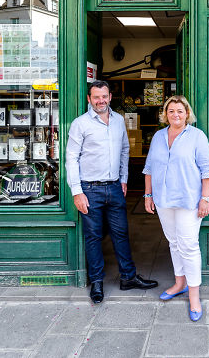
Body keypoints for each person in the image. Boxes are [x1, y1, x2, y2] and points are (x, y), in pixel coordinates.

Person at [65, 80, 158, 303]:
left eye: (104, 96)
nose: (101, 101)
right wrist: (77, 192)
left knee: (121, 234)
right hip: (89, 189)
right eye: (96, 97)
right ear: (89, 99)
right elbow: (71, 158)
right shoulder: (80, 124)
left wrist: (124, 179)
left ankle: (128, 277)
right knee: (94, 236)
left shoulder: (118, 120)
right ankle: (96, 282)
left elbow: (125, 150)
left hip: (115, 187)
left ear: (110, 97)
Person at [143, 95, 209, 322]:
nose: (175, 115)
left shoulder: (197, 137)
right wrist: (148, 194)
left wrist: (205, 199)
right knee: (174, 242)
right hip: (164, 200)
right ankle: (179, 283)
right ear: (165, 114)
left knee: (189, 245)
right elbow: (149, 168)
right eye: (171, 111)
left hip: (188, 201)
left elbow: (208, 170)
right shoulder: (157, 136)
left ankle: (194, 296)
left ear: (187, 114)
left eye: (180, 111)